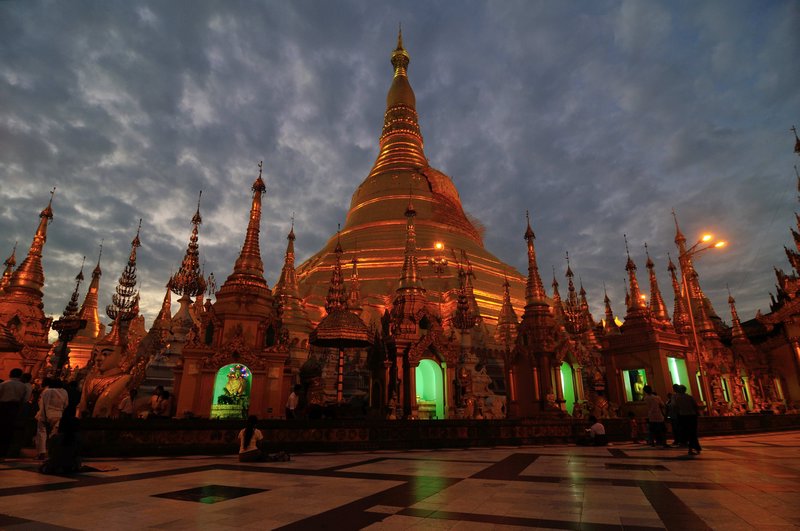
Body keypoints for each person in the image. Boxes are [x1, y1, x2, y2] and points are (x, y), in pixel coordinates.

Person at [0, 368, 32, 457]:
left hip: (3, 406)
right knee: (9, 430)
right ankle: (4, 452)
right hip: (15, 408)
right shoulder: (23, 386)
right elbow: (25, 399)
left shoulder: (4, 384)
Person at [35, 378, 69, 460]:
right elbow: (66, 404)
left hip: (46, 414)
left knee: (41, 433)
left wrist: (43, 416)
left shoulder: (47, 391)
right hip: (58, 414)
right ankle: (52, 452)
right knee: (54, 434)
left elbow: (43, 404)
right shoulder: (64, 392)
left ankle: (41, 452)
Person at [675, 385, 702, 455]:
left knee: (687, 433)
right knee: (693, 433)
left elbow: (677, 408)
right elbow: (695, 406)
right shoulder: (689, 397)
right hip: (691, 416)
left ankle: (691, 448)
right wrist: (697, 413)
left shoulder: (678, 399)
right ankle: (695, 447)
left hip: (683, 417)